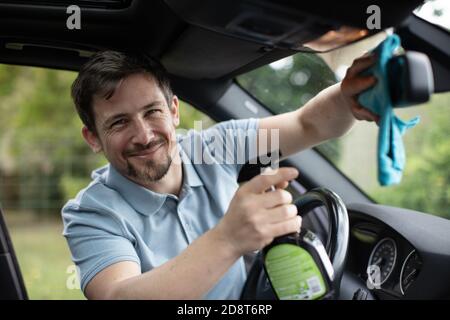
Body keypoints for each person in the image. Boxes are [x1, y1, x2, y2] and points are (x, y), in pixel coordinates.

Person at [62, 50, 378, 300]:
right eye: (119, 123)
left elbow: (309, 124)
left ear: (173, 110)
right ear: (92, 138)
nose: (144, 135)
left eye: (152, 111)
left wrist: (349, 96)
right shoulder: (91, 214)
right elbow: (118, 296)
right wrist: (228, 239)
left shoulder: (215, 146)